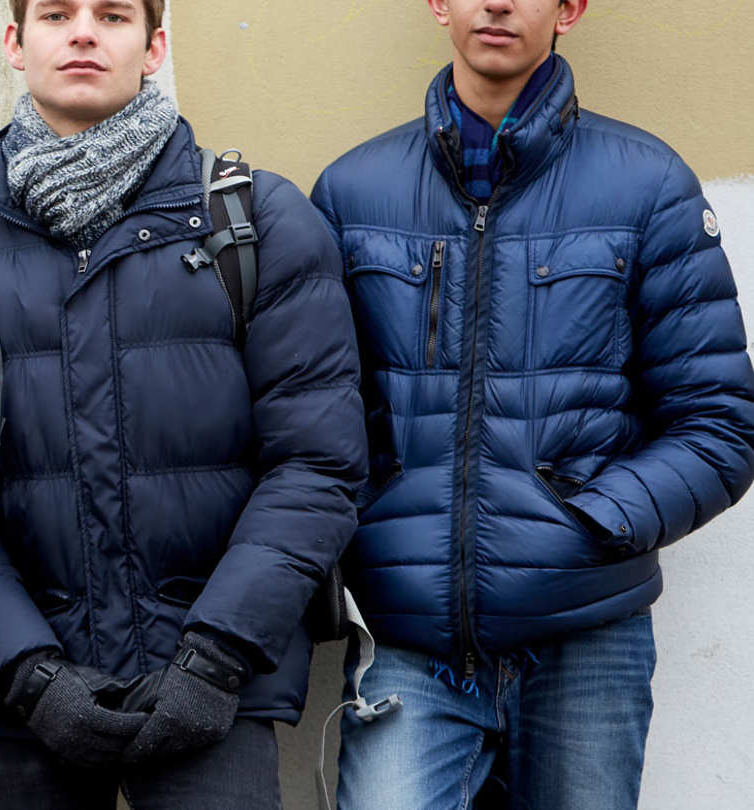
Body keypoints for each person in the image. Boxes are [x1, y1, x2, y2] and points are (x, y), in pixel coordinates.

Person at [0, 1, 367, 807]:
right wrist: (28, 673)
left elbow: (318, 464)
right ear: (15, 45)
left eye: (114, 14)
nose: (84, 31)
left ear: (155, 45)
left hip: (213, 701)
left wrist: (213, 659)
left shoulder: (259, 222)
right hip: (26, 710)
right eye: (56, 13)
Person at [311, 1, 754, 807]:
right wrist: (374, 534)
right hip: (410, 641)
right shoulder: (350, 193)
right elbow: (314, 415)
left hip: (587, 637)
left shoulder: (648, 185)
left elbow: (720, 423)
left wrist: (592, 524)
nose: (499, 4)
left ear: (571, 8)